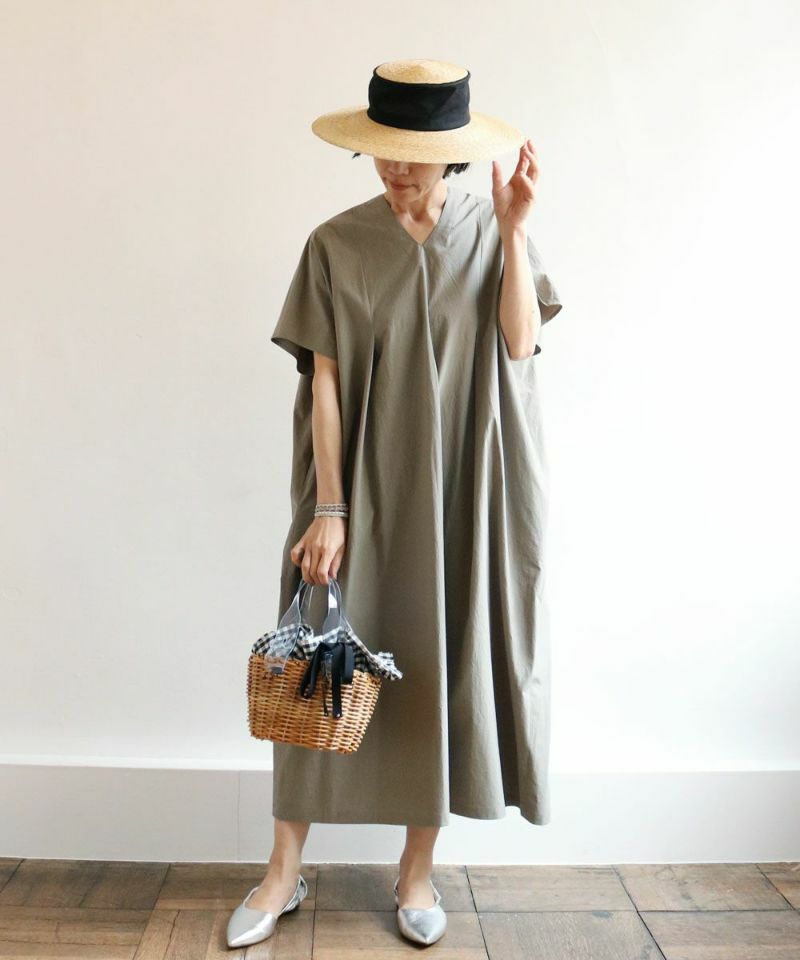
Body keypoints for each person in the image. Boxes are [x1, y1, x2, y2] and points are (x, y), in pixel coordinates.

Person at [227, 57, 563, 950]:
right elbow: (325, 386)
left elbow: (520, 347)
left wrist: (517, 234)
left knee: (439, 661)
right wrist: (329, 510)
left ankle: (416, 871)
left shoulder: (492, 228)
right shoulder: (336, 244)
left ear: (451, 154)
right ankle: (283, 871)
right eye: (382, 150)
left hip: (461, 485)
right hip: (356, 489)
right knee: (314, 667)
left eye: (411, 153)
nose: (394, 168)